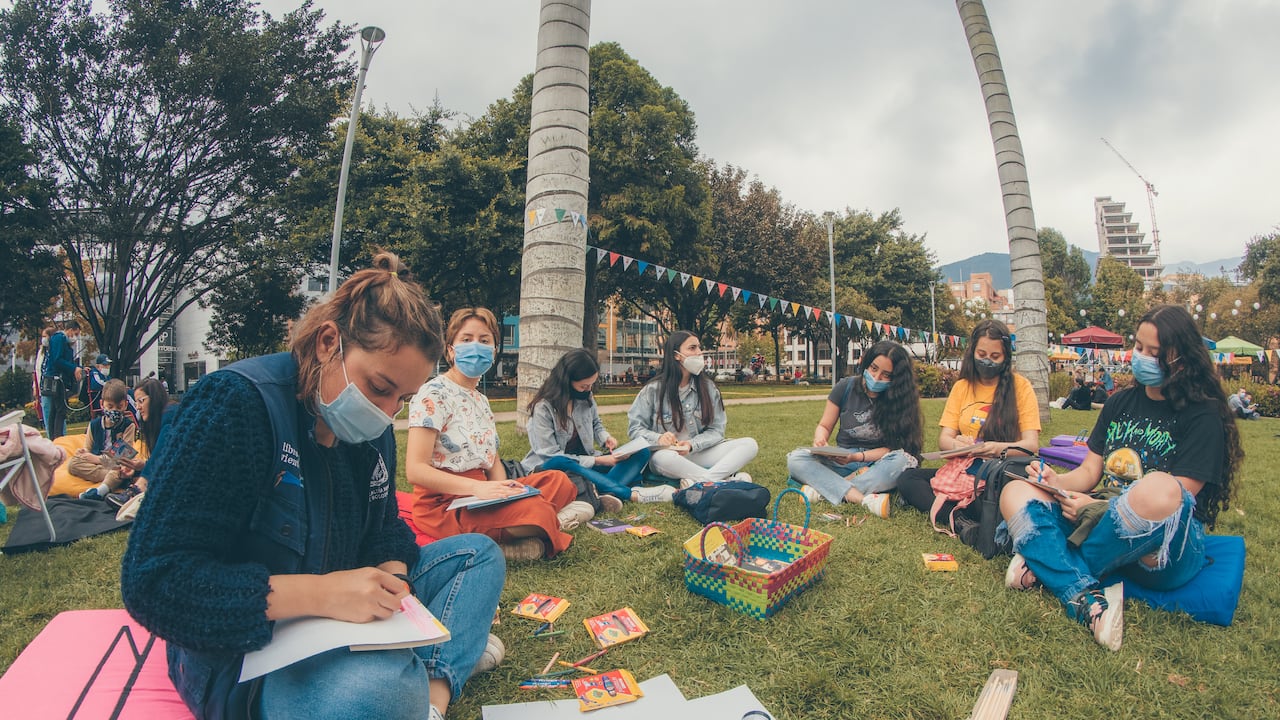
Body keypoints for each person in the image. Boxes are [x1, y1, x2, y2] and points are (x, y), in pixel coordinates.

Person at [121, 252, 505, 720]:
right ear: (329, 343)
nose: (387, 413)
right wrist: (322, 595)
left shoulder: (372, 430)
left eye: (402, 399)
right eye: (380, 387)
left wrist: (395, 580)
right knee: (377, 696)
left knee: (479, 555)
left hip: (347, 615)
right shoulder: (233, 405)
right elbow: (154, 581)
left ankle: (431, 696)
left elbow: (385, 529)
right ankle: (422, 675)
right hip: (243, 649)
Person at [1000, 305, 1242, 651]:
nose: (1140, 357)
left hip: (1162, 548)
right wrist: (1055, 482)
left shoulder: (1202, 415)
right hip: (1100, 524)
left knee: (1157, 486)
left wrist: (1097, 509)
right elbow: (1088, 472)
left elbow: (1178, 498)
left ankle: (1046, 563)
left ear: (1181, 360)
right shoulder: (1120, 403)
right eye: (1138, 347)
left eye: (1153, 353)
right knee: (1015, 491)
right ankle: (1086, 600)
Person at [406, 307, 583, 562]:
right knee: (537, 510)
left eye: (484, 340)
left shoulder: (481, 400)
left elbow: (492, 460)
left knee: (560, 481)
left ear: (494, 350)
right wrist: (478, 489)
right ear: (450, 350)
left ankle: (523, 527)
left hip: (483, 494)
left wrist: (504, 488)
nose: (476, 346)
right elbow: (415, 470)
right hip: (446, 504)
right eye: (466, 340)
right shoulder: (433, 394)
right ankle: (526, 534)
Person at [898, 319, 1042, 519]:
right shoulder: (962, 386)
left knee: (1004, 496)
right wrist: (958, 444)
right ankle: (960, 518)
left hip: (1000, 473)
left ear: (1006, 357)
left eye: (995, 356)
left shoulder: (1021, 387)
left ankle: (955, 509)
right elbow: (944, 439)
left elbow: (1030, 445)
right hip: (963, 468)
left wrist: (995, 448)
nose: (987, 361)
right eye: (981, 355)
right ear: (972, 352)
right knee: (908, 479)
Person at [786, 341, 924, 519]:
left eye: (885, 375)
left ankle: (824, 491)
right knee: (796, 458)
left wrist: (857, 457)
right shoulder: (845, 387)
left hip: (877, 464)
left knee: (902, 461)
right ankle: (863, 499)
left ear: (896, 379)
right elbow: (824, 426)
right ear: (866, 364)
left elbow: (895, 448)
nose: (876, 377)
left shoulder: (901, 400)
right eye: (874, 368)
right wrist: (820, 440)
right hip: (842, 460)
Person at [521, 348, 654, 508]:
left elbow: (596, 424)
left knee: (642, 451)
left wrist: (605, 438)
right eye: (584, 386)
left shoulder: (585, 397)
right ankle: (627, 493)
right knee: (562, 461)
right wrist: (600, 460)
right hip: (557, 468)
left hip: (587, 463)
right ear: (567, 381)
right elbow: (549, 456)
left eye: (591, 385)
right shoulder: (543, 407)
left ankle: (600, 490)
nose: (589, 390)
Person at [627, 331, 758, 489]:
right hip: (668, 456)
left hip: (697, 452)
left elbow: (716, 430)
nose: (699, 353)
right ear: (676, 355)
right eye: (692, 348)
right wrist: (658, 438)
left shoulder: (708, 388)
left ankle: (705, 481)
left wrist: (691, 444)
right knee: (661, 458)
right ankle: (727, 481)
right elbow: (635, 429)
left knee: (749, 445)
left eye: (699, 348)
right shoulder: (652, 390)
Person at [103, 377, 176, 511]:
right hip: (108, 463)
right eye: (136, 402)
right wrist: (141, 465)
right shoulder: (96, 426)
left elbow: (161, 457)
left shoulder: (130, 425)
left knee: (114, 470)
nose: (137, 407)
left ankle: (138, 488)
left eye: (141, 401)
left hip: (111, 464)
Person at [72, 379, 137, 500]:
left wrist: (97, 459)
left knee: (123, 467)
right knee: (73, 463)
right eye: (110, 406)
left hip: (115, 462)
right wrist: (83, 453)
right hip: (102, 465)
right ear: (102, 404)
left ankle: (100, 491)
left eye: (119, 407)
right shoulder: (94, 425)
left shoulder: (128, 426)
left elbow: (122, 455)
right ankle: (113, 478)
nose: (114, 410)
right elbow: (88, 448)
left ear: (125, 405)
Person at [40, 321, 82, 440]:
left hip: (58, 378)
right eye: (75, 333)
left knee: (55, 409)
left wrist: (78, 368)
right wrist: (73, 368)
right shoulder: (59, 339)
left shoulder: (62, 341)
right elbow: (57, 360)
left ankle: (55, 437)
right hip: (56, 378)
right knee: (60, 410)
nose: (75, 337)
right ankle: (58, 437)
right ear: (70, 330)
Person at [87, 353, 112, 418]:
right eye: (105, 365)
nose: (107, 367)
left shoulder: (107, 376)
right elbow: (97, 384)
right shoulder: (95, 373)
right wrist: (112, 386)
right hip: (98, 400)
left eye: (108, 365)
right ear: (97, 366)